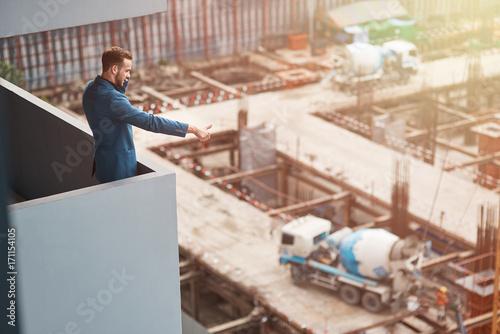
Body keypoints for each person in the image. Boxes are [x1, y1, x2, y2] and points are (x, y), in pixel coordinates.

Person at [82, 46, 211, 183]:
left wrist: (122, 81)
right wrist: (193, 129)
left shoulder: (90, 88)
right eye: (127, 71)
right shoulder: (113, 99)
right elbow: (150, 122)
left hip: (103, 164)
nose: (129, 76)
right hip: (120, 170)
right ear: (114, 69)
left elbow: (113, 104)